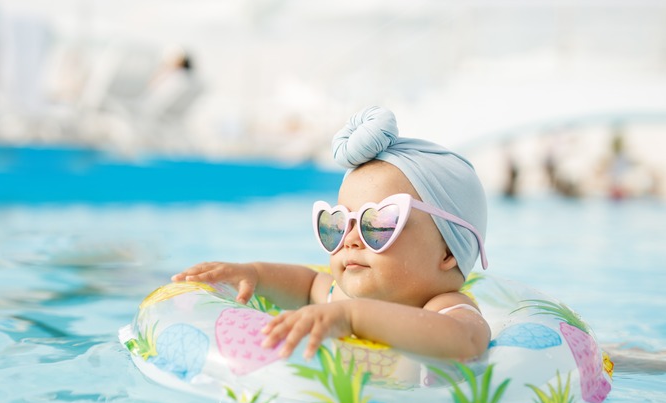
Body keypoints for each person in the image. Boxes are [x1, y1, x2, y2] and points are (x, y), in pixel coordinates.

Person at [172, 106, 490, 363]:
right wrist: (254, 273)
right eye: (337, 223)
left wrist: (352, 317)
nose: (349, 240)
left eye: (377, 224)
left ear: (448, 251)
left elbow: (466, 341)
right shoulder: (340, 295)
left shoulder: (445, 307)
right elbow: (309, 283)